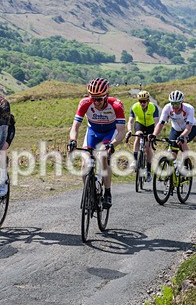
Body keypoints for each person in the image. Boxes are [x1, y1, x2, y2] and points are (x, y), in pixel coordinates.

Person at [68, 78, 126, 208]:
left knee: (103, 157)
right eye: (93, 98)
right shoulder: (85, 103)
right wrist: (73, 140)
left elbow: (121, 132)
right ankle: (89, 192)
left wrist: (113, 144)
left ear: (106, 96)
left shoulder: (116, 105)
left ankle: (107, 192)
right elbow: (75, 127)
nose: (96, 102)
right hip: (93, 132)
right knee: (85, 163)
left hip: (109, 133)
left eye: (99, 99)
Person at [151, 90, 196, 167]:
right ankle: (172, 171)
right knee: (172, 150)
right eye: (172, 103)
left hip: (190, 129)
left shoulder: (189, 109)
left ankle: (186, 164)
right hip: (175, 129)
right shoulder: (167, 108)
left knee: (183, 142)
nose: (174, 106)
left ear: (181, 102)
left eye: (177, 104)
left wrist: (182, 136)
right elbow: (161, 123)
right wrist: (154, 135)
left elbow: (188, 128)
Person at [124, 90, 159, 182]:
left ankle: (148, 171)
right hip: (139, 123)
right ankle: (135, 160)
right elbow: (130, 121)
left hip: (150, 126)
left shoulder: (153, 107)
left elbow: (157, 122)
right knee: (138, 136)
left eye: (144, 101)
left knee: (147, 147)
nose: (142, 103)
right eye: (140, 101)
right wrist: (130, 130)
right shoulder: (134, 107)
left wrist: (154, 134)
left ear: (148, 101)